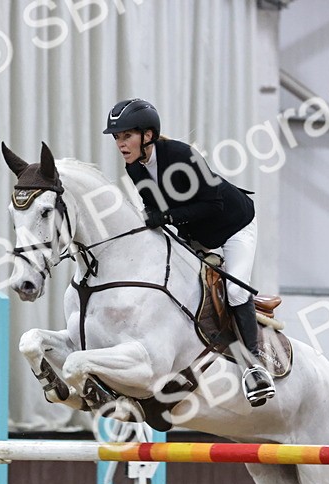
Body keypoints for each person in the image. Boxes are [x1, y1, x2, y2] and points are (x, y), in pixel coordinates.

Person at [103, 98, 275, 407]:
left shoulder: (181, 156)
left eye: (126, 135)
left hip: (234, 227)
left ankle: (255, 367)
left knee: (235, 290)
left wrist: (166, 217)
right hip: (195, 233)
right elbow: (152, 205)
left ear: (148, 135)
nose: (120, 143)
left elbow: (213, 205)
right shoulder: (134, 167)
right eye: (117, 137)